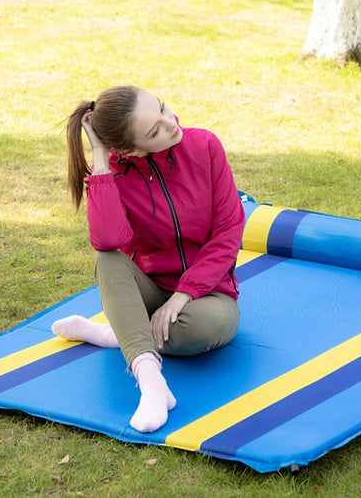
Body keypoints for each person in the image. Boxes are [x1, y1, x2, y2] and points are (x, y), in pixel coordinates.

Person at [52, 85, 245, 433]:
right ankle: (151, 381)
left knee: (204, 330)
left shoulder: (204, 146)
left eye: (163, 109)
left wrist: (184, 293)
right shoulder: (113, 173)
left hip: (208, 295)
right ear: (130, 150)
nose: (171, 123)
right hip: (150, 290)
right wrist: (101, 162)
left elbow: (228, 230)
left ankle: (117, 333)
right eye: (155, 131)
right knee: (108, 260)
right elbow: (108, 241)